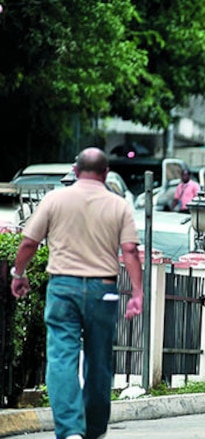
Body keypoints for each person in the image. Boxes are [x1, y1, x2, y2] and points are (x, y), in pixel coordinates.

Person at [10, 147, 144, 439]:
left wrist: (18, 274)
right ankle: (93, 430)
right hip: (104, 290)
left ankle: (70, 430)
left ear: (75, 170)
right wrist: (137, 292)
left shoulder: (55, 199)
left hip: (63, 287)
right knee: (99, 359)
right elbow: (131, 250)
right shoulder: (118, 204)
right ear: (106, 173)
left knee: (61, 358)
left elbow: (29, 243)